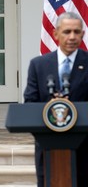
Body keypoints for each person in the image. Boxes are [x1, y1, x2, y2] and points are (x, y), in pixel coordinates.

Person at [24, 11, 88, 187]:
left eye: (77, 32)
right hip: (48, 147)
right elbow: (30, 102)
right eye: (67, 32)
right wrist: (49, 108)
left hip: (83, 147)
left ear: (83, 34)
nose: (72, 37)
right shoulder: (38, 65)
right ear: (56, 34)